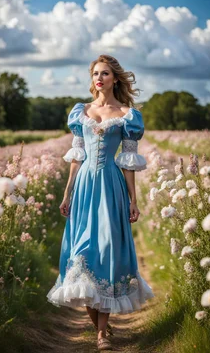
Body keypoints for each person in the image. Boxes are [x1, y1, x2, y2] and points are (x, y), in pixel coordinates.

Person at [47, 54, 154, 351]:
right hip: (83, 190)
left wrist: (133, 200)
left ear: (115, 78)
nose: (99, 78)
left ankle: (102, 333)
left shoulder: (127, 115)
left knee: (106, 251)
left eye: (105, 73)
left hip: (110, 188)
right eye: (95, 73)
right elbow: (76, 157)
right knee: (81, 254)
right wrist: (67, 192)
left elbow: (129, 163)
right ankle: (99, 327)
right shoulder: (80, 112)